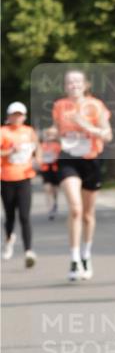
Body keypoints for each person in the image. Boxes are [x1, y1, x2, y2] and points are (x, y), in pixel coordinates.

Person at [51, 69, 112, 282]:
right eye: (69, 82)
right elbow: (58, 131)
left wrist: (85, 125)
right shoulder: (60, 106)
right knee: (75, 209)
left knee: (87, 214)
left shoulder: (96, 105)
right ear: (65, 86)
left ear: (85, 84)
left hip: (91, 160)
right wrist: (54, 134)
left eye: (77, 81)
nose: (74, 85)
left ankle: (86, 254)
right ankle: (74, 258)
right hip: (68, 159)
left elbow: (107, 134)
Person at [1, 102, 41, 267]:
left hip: (24, 177)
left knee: (25, 216)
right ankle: (9, 239)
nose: (17, 118)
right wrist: (10, 151)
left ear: (24, 116)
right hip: (6, 178)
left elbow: (37, 147)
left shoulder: (29, 131)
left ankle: (28, 251)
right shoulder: (3, 132)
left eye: (20, 115)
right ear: (9, 116)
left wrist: (38, 159)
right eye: (14, 115)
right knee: (10, 216)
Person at [39, 126, 61, 220]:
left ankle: (55, 202)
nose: (50, 136)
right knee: (47, 188)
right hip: (46, 169)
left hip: (56, 169)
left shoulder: (59, 145)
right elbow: (38, 156)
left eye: (53, 134)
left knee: (55, 189)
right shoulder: (42, 145)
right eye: (49, 134)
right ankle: (50, 209)